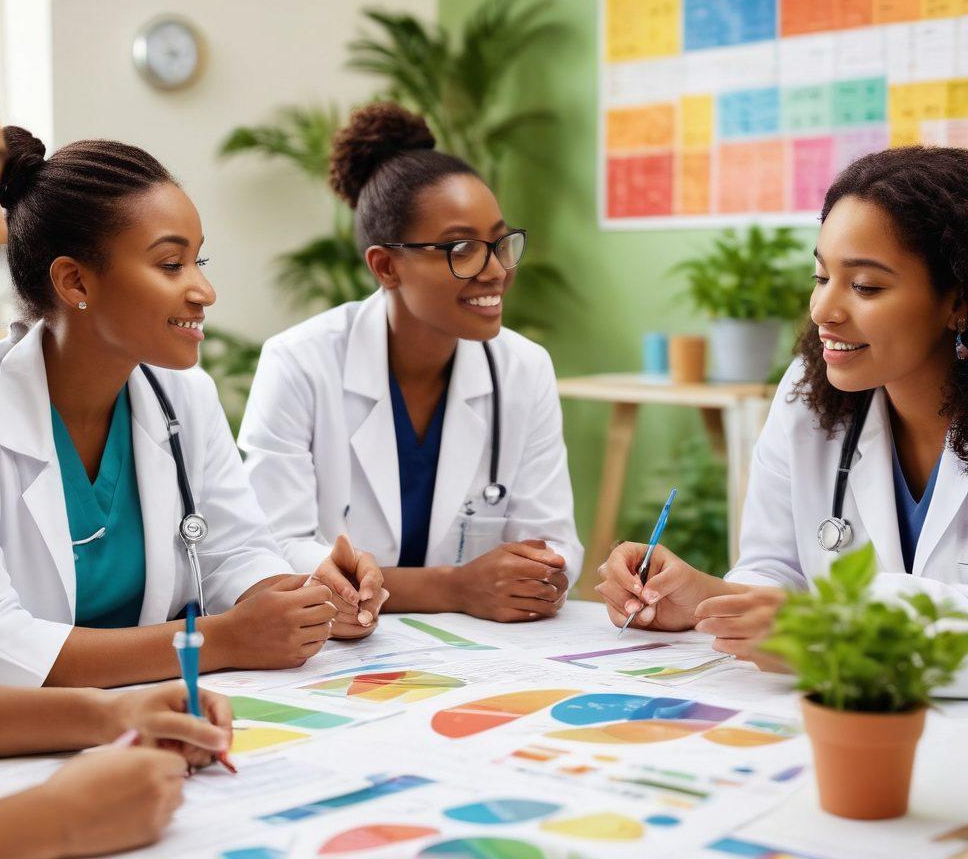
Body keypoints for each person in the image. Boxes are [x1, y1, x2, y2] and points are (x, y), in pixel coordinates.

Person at [0, 120, 386, 689]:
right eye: (170, 264)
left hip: (155, 713)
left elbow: (236, 553)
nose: (204, 292)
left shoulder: (183, 396)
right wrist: (212, 643)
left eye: (198, 262)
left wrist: (306, 597)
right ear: (75, 282)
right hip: (11, 749)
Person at [0, 9, 231, 857]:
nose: (2, 226)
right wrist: (59, 820)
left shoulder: (181, 398)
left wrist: (114, 712)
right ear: (76, 283)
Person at [599, 146, 968, 663]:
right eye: (821, 278)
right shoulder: (809, 394)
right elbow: (773, 573)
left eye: (865, 285)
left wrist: (830, 631)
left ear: (957, 301)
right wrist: (701, 599)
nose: (823, 309)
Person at [239, 103, 583, 622]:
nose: (494, 270)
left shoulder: (522, 368)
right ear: (386, 266)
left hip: (483, 652)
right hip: (339, 649)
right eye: (461, 248)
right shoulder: (300, 364)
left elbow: (552, 542)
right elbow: (269, 551)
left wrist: (540, 571)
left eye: (499, 242)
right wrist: (454, 588)